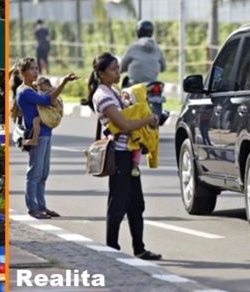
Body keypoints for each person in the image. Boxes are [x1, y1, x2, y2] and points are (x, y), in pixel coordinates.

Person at [82, 52, 162, 260]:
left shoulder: (113, 91)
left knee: (136, 204)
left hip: (129, 154)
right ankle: (112, 248)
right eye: (113, 69)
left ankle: (139, 248)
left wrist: (146, 118)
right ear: (101, 73)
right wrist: (146, 120)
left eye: (118, 68)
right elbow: (124, 124)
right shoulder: (103, 96)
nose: (118, 72)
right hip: (119, 155)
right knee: (118, 204)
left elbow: (130, 116)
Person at [14, 57, 77, 219]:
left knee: (43, 173)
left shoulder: (33, 89)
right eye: (32, 69)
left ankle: (42, 206)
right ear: (23, 72)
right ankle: (33, 208)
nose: (35, 71)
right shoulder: (25, 92)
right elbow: (48, 100)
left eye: (36, 68)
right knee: (34, 173)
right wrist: (63, 82)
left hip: (46, 132)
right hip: (38, 135)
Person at [120, 20, 166, 85]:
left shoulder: (133, 47)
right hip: (152, 85)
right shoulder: (157, 48)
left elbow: (122, 67)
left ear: (138, 32)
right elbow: (163, 68)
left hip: (134, 84)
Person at [23, 76, 64, 146]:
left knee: (36, 120)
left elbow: (47, 98)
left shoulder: (52, 91)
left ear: (46, 84)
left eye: (40, 86)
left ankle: (34, 140)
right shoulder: (45, 91)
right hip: (51, 115)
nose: (39, 88)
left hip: (53, 115)